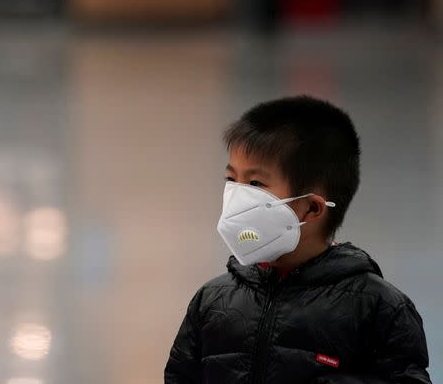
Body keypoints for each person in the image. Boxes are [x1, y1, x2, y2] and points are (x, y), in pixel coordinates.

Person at [164, 95, 431, 383]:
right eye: (232, 180)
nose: (236, 196)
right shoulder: (212, 301)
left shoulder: (377, 308)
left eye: (255, 184)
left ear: (312, 208)